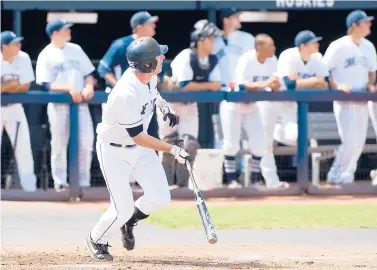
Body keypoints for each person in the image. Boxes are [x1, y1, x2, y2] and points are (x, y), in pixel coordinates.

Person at [85, 37, 189, 261]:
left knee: (161, 197)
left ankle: (131, 219)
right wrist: (171, 149)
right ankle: (97, 238)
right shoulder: (125, 92)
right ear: (147, 64)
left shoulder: (148, 76)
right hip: (115, 151)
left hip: (139, 149)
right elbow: (140, 137)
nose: (162, 57)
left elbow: (153, 94)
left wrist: (163, 106)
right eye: (157, 56)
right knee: (120, 208)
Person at [258, 30, 329, 188]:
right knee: (266, 143)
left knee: (296, 136)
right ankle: (272, 181)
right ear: (303, 46)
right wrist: (314, 81)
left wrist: (305, 82)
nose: (317, 44)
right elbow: (289, 85)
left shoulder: (317, 58)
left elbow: (325, 84)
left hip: (289, 103)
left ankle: (276, 132)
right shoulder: (289, 55)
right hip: (272, 101)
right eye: (313, 42)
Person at [157, 20, 223, 187]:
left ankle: (183, 186)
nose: (213, 42)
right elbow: (184, 85)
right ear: (200, 40)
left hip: (190, 105)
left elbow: (217, 85)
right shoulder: (186, 56)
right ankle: (164, 185)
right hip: (171, 105)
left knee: (189, 144)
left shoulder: (213, 59)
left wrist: (204, 86)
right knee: (168, 144)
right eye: (210, 38)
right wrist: (207, 85)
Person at [36, 19, 96, 191]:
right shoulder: (46, 54)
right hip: (58, 105)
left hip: (80, 104)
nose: (69, 31)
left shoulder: (75, 49)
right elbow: (45, 84)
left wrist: (89, 85)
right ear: (55, 33)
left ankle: (84, 183)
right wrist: (69, 88)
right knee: (59, 144)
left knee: (86, 143)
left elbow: (89, 73)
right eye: (65, 29)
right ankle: (60, 183)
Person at [221, 34, 281, 188]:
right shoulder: (247, 59)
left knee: (260, 142)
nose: (274, 48)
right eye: (270, 45)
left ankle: (255, 180)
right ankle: (231, 180)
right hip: (233, 104)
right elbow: (242, 86)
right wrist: (267, 83)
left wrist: (273, 85)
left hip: (252, 104)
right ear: (259, 47)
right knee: (231, 143)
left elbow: (275, 84)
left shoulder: (273, 60)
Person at [323, 10, 376, 184]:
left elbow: (371, 72)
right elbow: (325, 71)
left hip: (362, 99)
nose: (369, 24)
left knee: (359, 143)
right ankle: (336, 173)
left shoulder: (368, 46)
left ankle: (345, 176)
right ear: (355, 25)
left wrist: (370, 84)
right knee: (350, 141)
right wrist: (337, 86)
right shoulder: (338, 45)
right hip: (344, 99)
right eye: (365, 22)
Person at [97, 11, 161, 140]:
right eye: (150, 23)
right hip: (123, 101)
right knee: (119, 139)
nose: (154, 26)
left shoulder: (152, 46)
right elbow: (103, 69)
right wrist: (119, 87)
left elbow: (159, 74)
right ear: (139, 27)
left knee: (150, 138)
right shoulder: (121, 44)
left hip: (144, 100)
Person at [213, 8, 256, 188]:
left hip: (243, 91)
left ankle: (247, 175)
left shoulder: (247, 38)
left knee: (249, 137)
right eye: (235, 16)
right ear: (226, 19)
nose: (239, 18)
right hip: (222, 90)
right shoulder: (214, 39)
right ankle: (223, 176)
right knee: (224, 137)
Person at [1, 31, 37, 192]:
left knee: (24, 149)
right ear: (4, 47)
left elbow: (25, 85)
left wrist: (4, 87)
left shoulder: (23, 57)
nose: (19, 46)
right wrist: (13, 83)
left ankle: (30, 189)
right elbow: (17, 83)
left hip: (15, 108)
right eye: (15, 43)